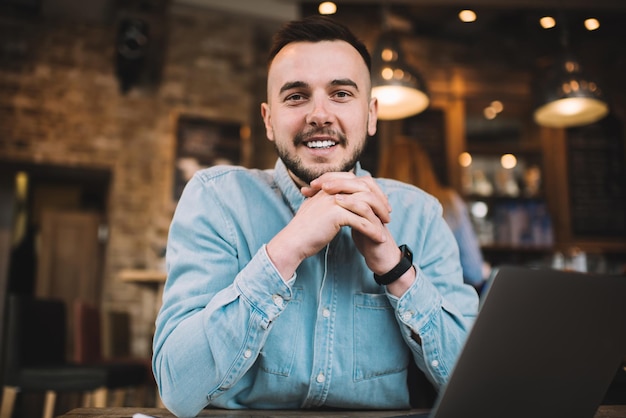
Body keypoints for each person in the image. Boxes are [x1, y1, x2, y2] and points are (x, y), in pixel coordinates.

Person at [152, 15, 478, 417]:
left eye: (341, 94)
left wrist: (395, 270)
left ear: (371, 115)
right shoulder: (215, 200)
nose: (319, 114)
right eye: (295, 97)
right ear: (269, 120)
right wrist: (284, 252)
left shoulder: (422, 215)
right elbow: (177, 388)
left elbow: (476, 390)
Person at [378, 137, 489, 289]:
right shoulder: (449, 202)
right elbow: (474, 271)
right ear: (425, 166)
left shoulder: (374, 204)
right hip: (442, 301)